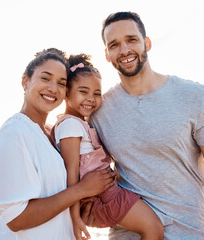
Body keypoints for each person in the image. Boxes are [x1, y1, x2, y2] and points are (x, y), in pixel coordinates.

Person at [82, 12, 204, 239]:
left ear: (147, 43)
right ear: (107, 54)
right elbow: (91, 169)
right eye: (114, 45)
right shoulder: (99, 111)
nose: (124, 50)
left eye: (131, 40)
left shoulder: (194, 96)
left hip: (190, 232)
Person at [0, 48, 115, 240]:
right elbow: (16, 218)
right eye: (45, 78)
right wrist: (81, 190)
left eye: (61, 83)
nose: (53, 88)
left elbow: (58, 195)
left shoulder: (52, 132)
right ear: (25, 81)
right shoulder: (14, 133)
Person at [50, 53, 164, 240]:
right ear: (66, 93)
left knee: (153, 227)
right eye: (83, 91)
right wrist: (74, 217)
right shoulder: (70, 126)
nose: (91, 99)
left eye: (96, 93)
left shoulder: (79, 123)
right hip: (105, 196)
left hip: (106, 193)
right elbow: (71, 173)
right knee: (154, 229)